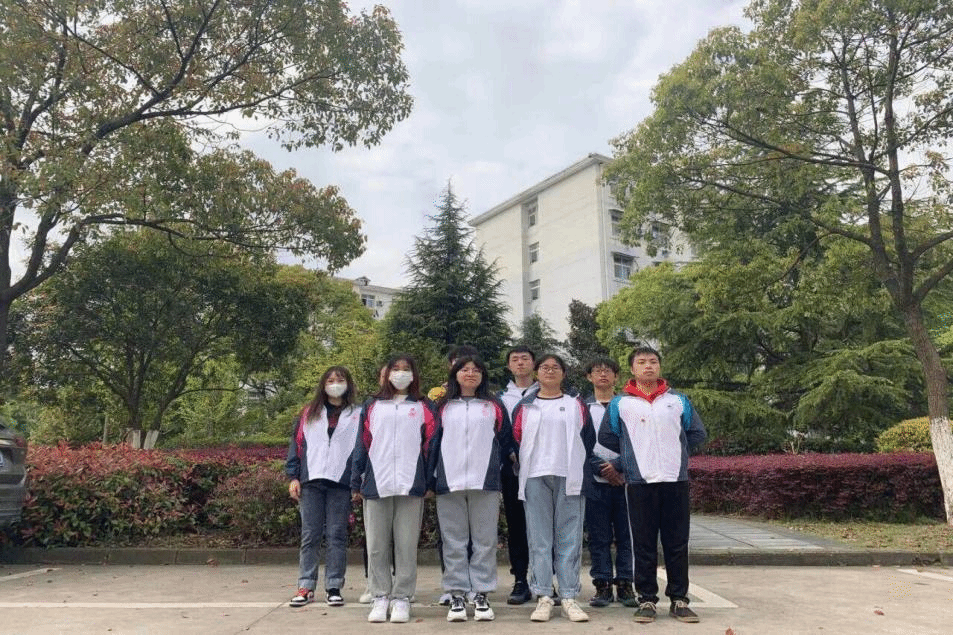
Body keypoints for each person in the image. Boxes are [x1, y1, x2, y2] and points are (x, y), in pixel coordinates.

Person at [598, 346, 707, 624]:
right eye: (642, 362)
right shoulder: (620, 404)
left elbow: (696, 433)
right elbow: (607, 436)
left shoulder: (678, 400)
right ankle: (646, 599)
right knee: (643, 543)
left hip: (675, 480)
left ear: (659, 367)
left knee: (677, 542)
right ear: (632, 369)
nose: (648, 366)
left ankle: (679, 599)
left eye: (653, 361)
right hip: (639, 481)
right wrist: (631, 458)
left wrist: (675, 452)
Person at [351, 354, 438, 624]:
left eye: (406, 369)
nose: (401, 373)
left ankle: (402, 597)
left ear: (414, 374)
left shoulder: (423, 406)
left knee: (406, 545)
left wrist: (429, 481)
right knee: (376, 545)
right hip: (377, 483)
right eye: (395, 369)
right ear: (387, 374)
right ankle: (380, 596)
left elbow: (432, 446)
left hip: (411, 484)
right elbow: (362, 443)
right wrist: (356, 480)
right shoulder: (373, 405)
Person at [511, 353, 595, 623]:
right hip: (535, 477)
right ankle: (544, 595)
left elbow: (588, 438)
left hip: (569, 476)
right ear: (536, 373)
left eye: (555, 367)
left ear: (563, 373)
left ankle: (569, 596)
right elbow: (516, 438)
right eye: (544, 367)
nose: (550, 371)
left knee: (569, 539)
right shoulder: (525, 406)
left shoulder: (575, 404)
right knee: (539, 539)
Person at [431, 355, 513, 622]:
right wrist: (431, 478)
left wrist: (494, 467)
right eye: (464, 369)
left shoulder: (493, 405)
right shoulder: (442, 406)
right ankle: (456, 593)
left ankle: (481, 593)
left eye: (476, 370)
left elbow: (504, 439)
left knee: (484, 541)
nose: (470, 373)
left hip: (485, 481)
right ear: (455, 374)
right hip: (449, 481)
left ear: (483, 376)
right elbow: (431, 442)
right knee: (453, 541)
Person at [285, 366, 362, 608]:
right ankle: (306, 586)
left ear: (348, 384)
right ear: (323, 385)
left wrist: (357, 481)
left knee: (337, 535)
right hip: (311, 480)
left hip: (341, 482)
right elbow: (296, 445)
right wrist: (293, 476)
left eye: (340, 379)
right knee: (310, 536)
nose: (335, 384)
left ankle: (334, 586)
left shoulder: (358, 413)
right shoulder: (309, 412)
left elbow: (362, 449)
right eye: (330, 380)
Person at [581, 357, 636, 608]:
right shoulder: (581, 407)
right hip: (595, 482)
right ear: (589, 377)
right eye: (597, 370)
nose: (602, 374)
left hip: (626, 480)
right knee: (598, 537)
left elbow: (636, 440)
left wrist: (619, 466)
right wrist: (602, 468)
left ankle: (625, 583)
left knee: (627, 535)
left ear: (616, 377)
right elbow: (579, 443)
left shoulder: (628, 405)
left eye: (608, 371)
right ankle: (602, 584)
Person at [497, 344, 537, 605]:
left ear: (534, 364)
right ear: (509, 366)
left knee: (544, 527)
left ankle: (546, 579)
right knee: (517, 525)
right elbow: (499, 432)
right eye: (515, 359)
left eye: (525, 358)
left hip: (542, 469)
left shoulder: (547, 394)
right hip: (512, 470)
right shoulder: (500, 398)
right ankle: (520, 579)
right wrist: (511, 453)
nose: (520, 363)